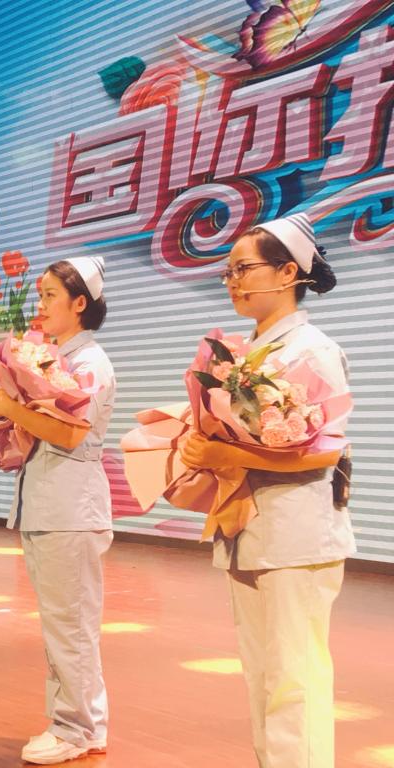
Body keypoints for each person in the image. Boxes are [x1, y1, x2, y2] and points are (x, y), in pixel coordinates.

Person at [180, 213, 352, 768]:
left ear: (287, 273)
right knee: (263, 677)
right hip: (249, 530)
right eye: (227, 271)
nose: (232, 281)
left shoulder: (312, 350)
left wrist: (227, 455)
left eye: (243, 269)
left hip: (296, 537)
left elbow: (326, 451)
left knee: (293, 683)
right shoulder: (243, 354)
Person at [0, 256, 115, 764]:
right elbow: (43, 436)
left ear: (80, 303)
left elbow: (71, 436)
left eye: (50, 294)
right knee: (60, 624)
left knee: (70, 624)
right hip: (46, 506)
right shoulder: (53, 361)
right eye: (40, 294)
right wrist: (3, 447)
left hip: (71, 510)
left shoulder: (90, 363)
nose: (40, 304)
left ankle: (77, 728)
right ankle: (74, 722)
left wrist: (8, 408)